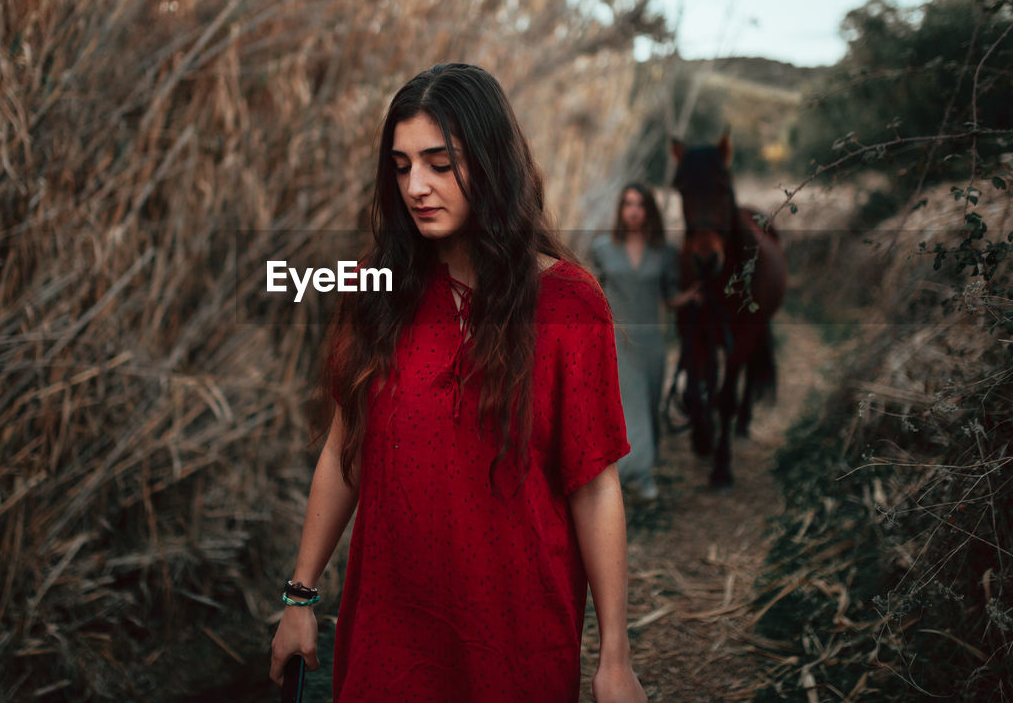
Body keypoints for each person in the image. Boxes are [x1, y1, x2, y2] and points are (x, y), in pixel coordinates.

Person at [268, 63, 648, 702]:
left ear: (493, 162)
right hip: (390, 630)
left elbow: (594, 484)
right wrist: (299, 597)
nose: (416, 186)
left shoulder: (567, 303)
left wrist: (615, 656)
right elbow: (342, 451)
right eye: (401, 165)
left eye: (440, 164)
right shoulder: (375, 290)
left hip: (516, 635)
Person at [589, 184, 698, 501]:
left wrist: (692, 296)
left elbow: (669, 295)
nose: (633, 210)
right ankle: (636, 474)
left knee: (649, 404)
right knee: (627, 405)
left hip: (651, 340)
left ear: (649, 210)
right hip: (616, 339)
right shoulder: (602, 248)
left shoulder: (665, 253)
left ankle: (643, 464)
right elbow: (589, 291)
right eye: (627, 204)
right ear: (621, 210)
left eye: (640, 204)